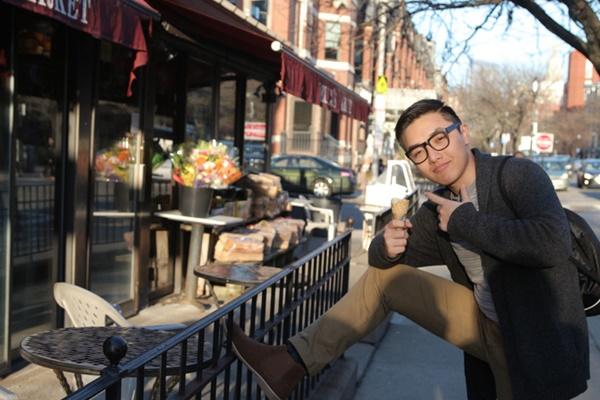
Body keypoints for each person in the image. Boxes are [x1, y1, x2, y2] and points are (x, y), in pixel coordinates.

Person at [231, 99, 589, 400]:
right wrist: (385, 246)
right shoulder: (437, 207)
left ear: (463, 133)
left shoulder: (517, 175)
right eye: (418, 151)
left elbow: (552, 244)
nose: (433, 156)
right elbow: (384, 260)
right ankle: (287, 364)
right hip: (484, 325)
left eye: (439, 139)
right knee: (388, 280)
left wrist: (465, 221)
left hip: (535, 339)